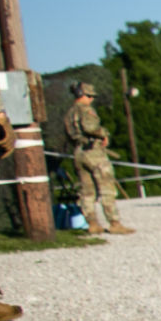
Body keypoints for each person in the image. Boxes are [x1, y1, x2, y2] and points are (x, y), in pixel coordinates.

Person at [62, 82, 133, 235]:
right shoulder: (86, 110)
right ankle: (114, 223)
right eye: (89, 96)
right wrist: (103, 133)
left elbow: (69, 134)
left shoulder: (68, 113)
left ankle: (92, 223)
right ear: (83, 95)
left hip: (78, 152)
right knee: (107, 188)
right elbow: (90, 127)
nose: (91, 100)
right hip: (93, 152)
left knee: (86, 192)